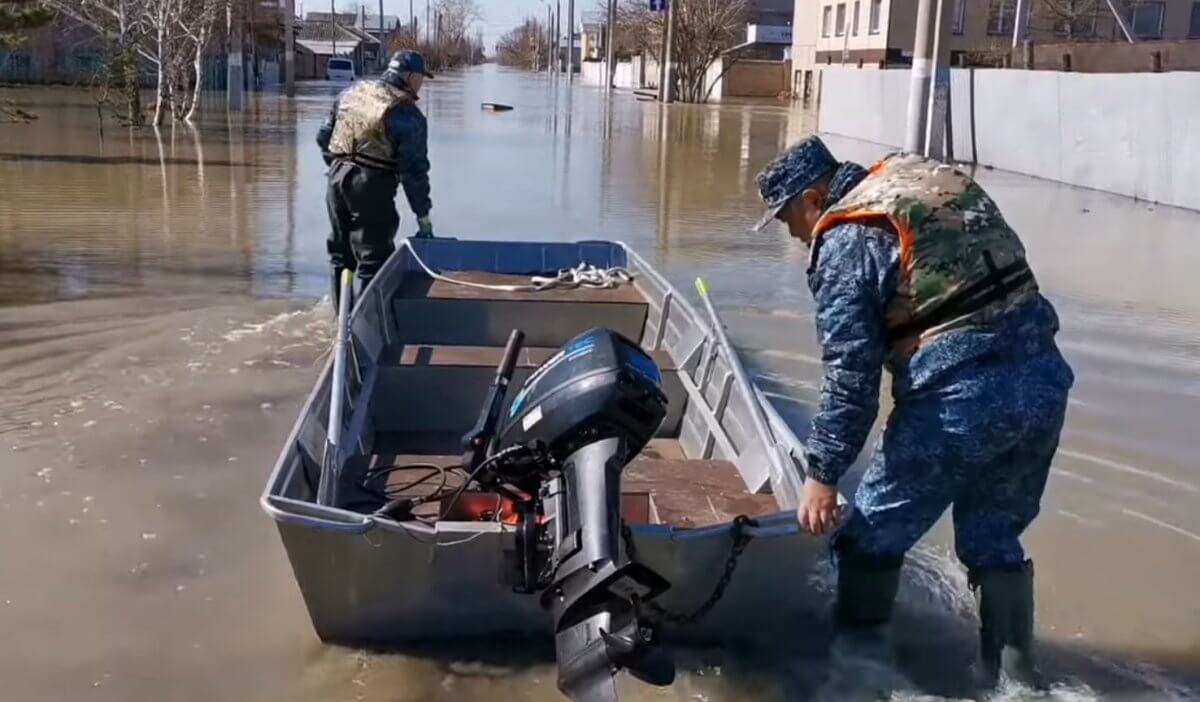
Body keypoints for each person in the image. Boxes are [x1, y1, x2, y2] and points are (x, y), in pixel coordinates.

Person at [754, 136, 1073, 688]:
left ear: (813, 198)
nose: (793, 233)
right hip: (1043, 382)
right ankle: (1020, 684)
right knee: (993, 542)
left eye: (788, 218)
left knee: (866, 539)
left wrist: (823, 475)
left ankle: (856, 678)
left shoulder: (847, 237)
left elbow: (851, 377)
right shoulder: (916, 178)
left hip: (958, 399)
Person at [316, 50, 434, 306]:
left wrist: (337, 167)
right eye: (421, 77)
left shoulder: (352, 93)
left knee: (341, 255)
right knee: (374, 259)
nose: (421, 83)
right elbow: (414, 171)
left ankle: (341, 319)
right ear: (411, 77)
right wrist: (422, 215)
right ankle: (361, 327)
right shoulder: (406, 114)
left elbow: (323, 137)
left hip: (335, 180)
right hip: (371, 184)